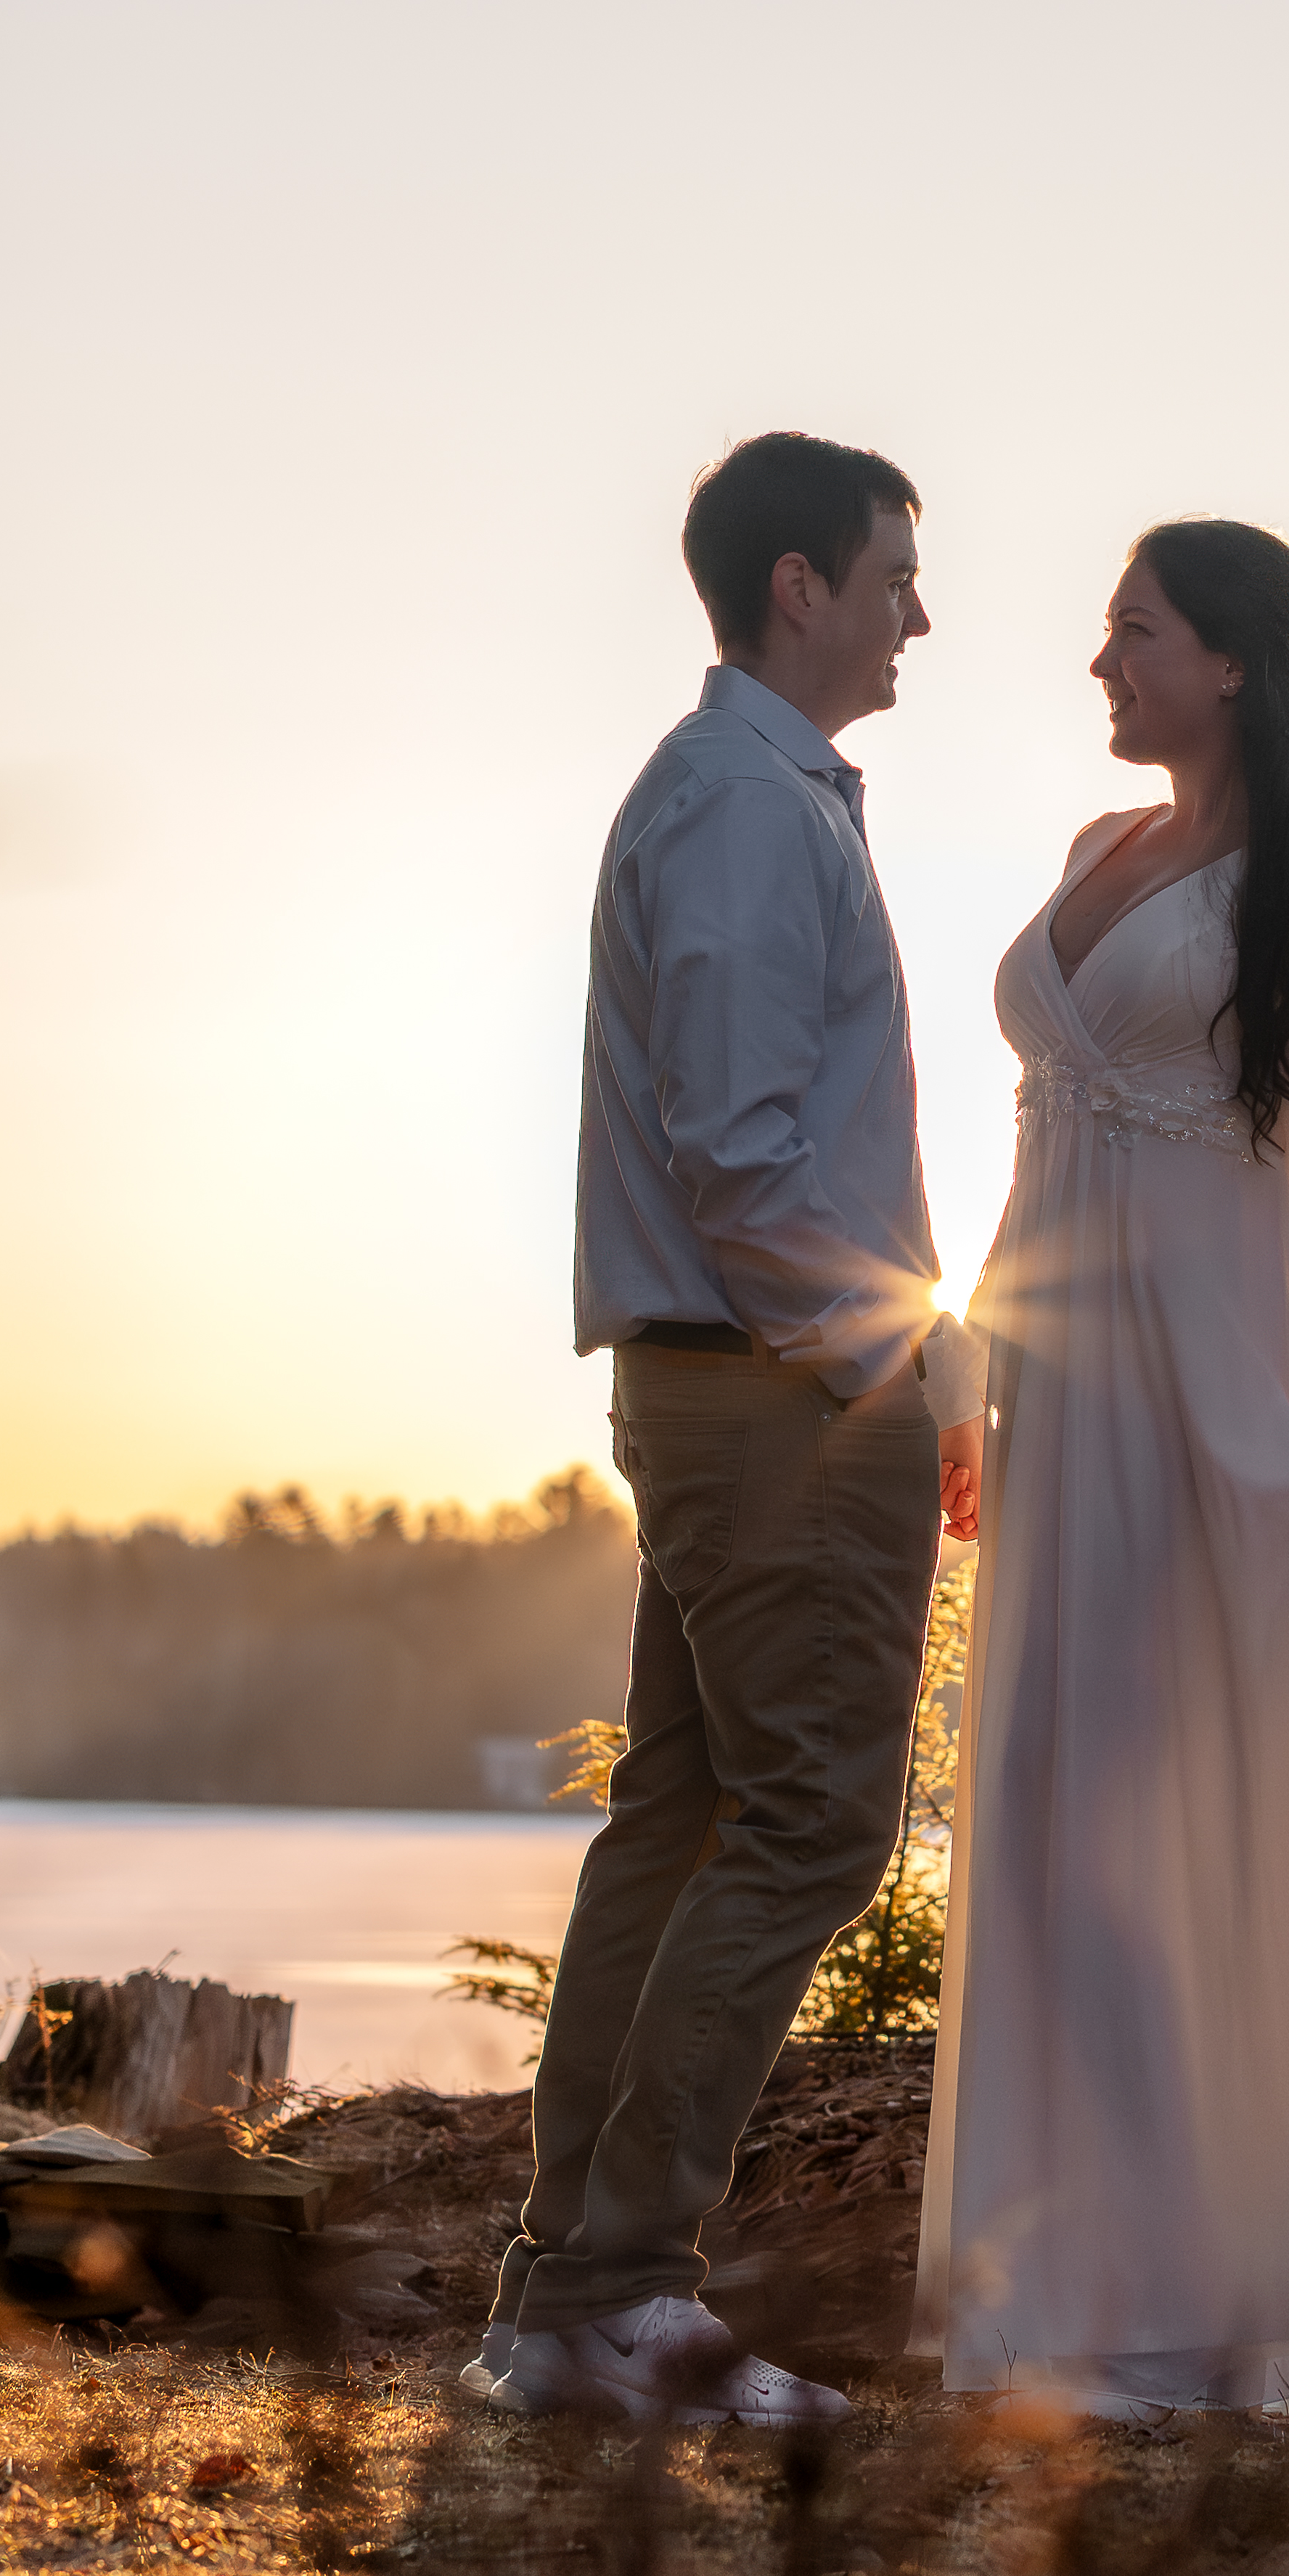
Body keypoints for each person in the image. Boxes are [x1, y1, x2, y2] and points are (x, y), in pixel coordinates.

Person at [912, 520, 1289, 2418]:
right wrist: (972, 1379)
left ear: (1230, 660)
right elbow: (1035, 1163)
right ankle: (1082, 2296)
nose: (1100, 663)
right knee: (1043, 1824)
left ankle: (1248, 2299)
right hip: (1060, 1407)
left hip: (1224, 1416)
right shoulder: (1100, 858)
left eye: (1131, 632)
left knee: (1197, 1836)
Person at [467, 430, 979, 2427]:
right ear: (798, 587)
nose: (916, 613)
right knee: (811, 1824)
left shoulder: (749, 801)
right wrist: (877, 1358)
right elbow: (746, 1153)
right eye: (893, 575)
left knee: (679, 1822)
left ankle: (557, 2303)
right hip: (771, 1390)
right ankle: (609, 2290)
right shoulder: (747, 816)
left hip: (727, 1375)